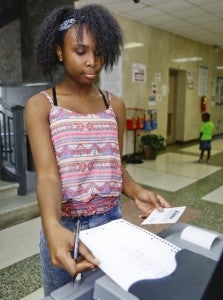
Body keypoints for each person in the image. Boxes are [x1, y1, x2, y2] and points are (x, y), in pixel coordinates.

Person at [25, 4, 171, 296]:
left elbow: (114, 165)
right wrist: (51, 226)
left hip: (110, 221)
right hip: (65, 225)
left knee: (110, 293)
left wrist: (136, 191)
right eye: (80, 51)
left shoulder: (112, 104)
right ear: (59, 51)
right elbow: (48, 176)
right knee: (62, 296)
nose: (92, 61)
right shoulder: (41, 105)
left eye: (100, 52)